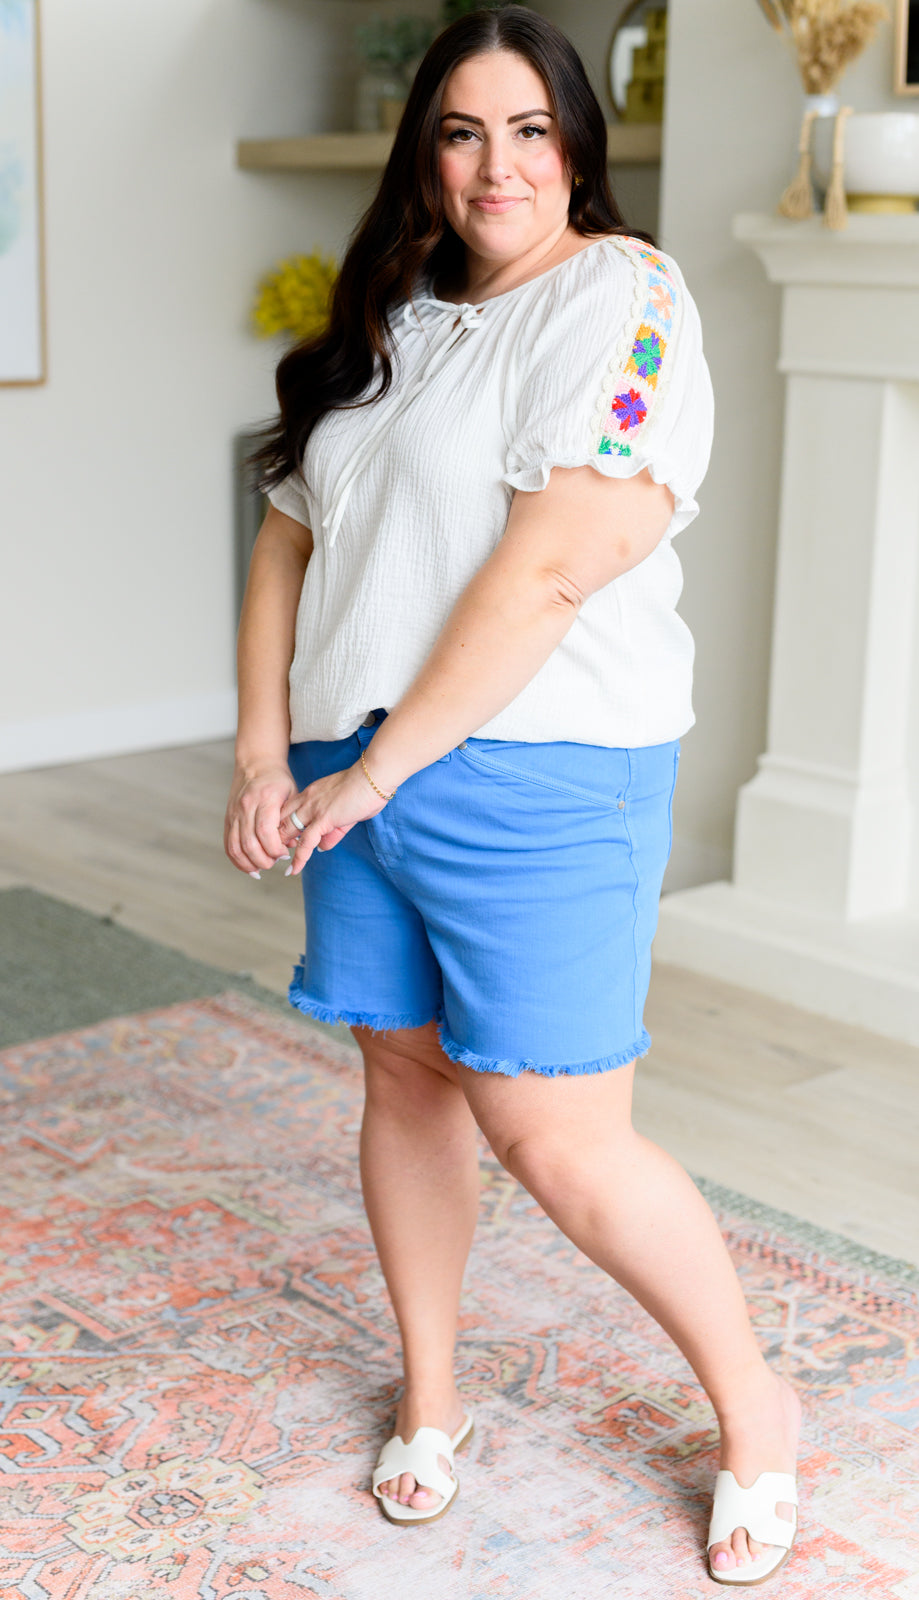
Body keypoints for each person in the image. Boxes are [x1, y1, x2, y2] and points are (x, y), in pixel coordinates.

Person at [224, 6, 800, 1584]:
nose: (496, 164)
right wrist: (274, 753)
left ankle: (759, 1412)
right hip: (359, 771)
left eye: (531, 129)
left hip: (541, 775)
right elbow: (291, 536)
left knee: (558, 1134)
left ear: (577, 147)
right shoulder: (395, 320)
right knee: (402, 1085)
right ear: (428, 154)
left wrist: (385, 763)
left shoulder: (627, 300)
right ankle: (433, 1399)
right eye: (463, 131)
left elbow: (553, 571)